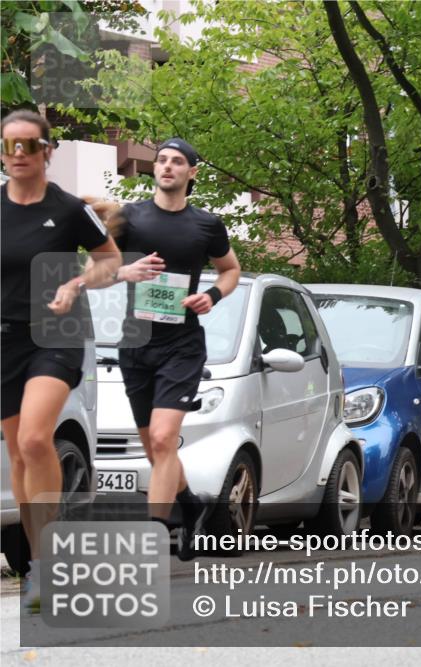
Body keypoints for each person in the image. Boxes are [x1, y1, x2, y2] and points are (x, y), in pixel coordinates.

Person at [1, 109, 122, 608]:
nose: (19, 154)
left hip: (55, 334)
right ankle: (35, 563)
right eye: (10, 145)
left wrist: (75, 283)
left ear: (48, 151)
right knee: (17, 453)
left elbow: (110, 261)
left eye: (30, 145)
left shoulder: (71, 209)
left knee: (35, 438)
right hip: (5, 339)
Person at [110, 138, 240, 560]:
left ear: (191, 173)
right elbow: (95, 265)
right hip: (135, 345)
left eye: (177, 162)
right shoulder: (130, 218)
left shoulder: (206, 225)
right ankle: (191, 505)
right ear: (155, 169)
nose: (167, 167)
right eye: (162, 160)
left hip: (181, 345)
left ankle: (153, 534)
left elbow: (230, 269)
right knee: (155, 448)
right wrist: (124, 270)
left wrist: (214, 296)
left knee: (165, 439)